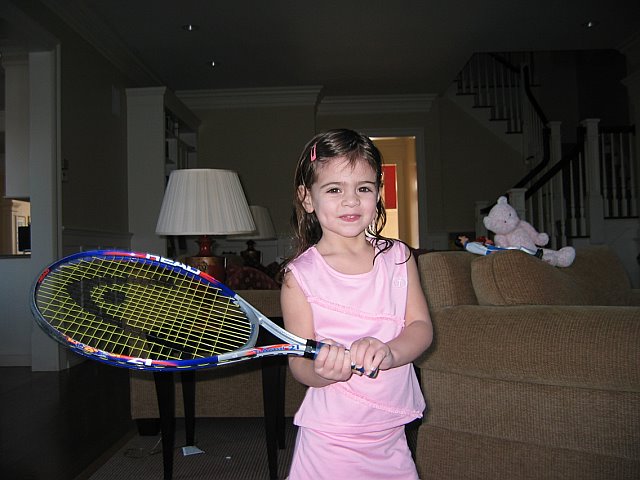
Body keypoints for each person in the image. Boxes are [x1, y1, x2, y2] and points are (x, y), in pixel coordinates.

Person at [280, 129, 433, 479]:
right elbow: (299, 363)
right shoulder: (299, 277)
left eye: (363, 188)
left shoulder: (398, 258)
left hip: (390, 434)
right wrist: (321, 371)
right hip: (330, 439)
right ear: (307, 198)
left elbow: (421, 327)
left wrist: (391, 353)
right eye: (334, 189)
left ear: (378, 193)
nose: (351, 201)